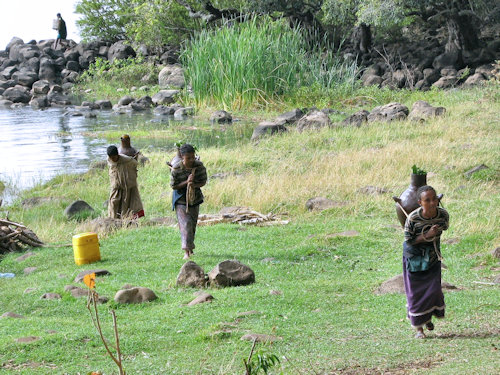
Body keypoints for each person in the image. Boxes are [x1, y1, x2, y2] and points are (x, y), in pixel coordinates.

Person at [402, 185, 449, 338]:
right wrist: (427, 235)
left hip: (433, 257)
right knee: (416, 294)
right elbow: (409, 241)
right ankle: (419, 330)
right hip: (414, 257)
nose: (432, 203)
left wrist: (433, 235)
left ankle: (427, 318)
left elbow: (444, 227)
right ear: (419, 203)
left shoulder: (442, 215)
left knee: (433, 290)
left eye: (434, 199)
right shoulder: (413, 219)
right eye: (427, 200)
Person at [170, 144, 207, 259]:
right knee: (185, 224)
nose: (191, 160)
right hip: (180, 199)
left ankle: (190, 248)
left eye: (193, 157)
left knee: (192, 224)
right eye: (188, 158)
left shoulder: (199, 166)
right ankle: (186, 251)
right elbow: (173, 186)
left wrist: (193, 185)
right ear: (182, 157)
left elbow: (203, 181)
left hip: (194, 198)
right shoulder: (176, 169)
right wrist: (186, 183)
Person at [107, 145, 144, 219]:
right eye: (111, 158)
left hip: (128, 187)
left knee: (128, 206)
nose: (112, 159)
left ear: (117, 155)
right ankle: (113, 221)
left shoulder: (127, 160)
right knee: (113, 204)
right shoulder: (109, 161)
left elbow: (135, 164)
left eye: (114, 157)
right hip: (116, 188)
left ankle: (127, 222)